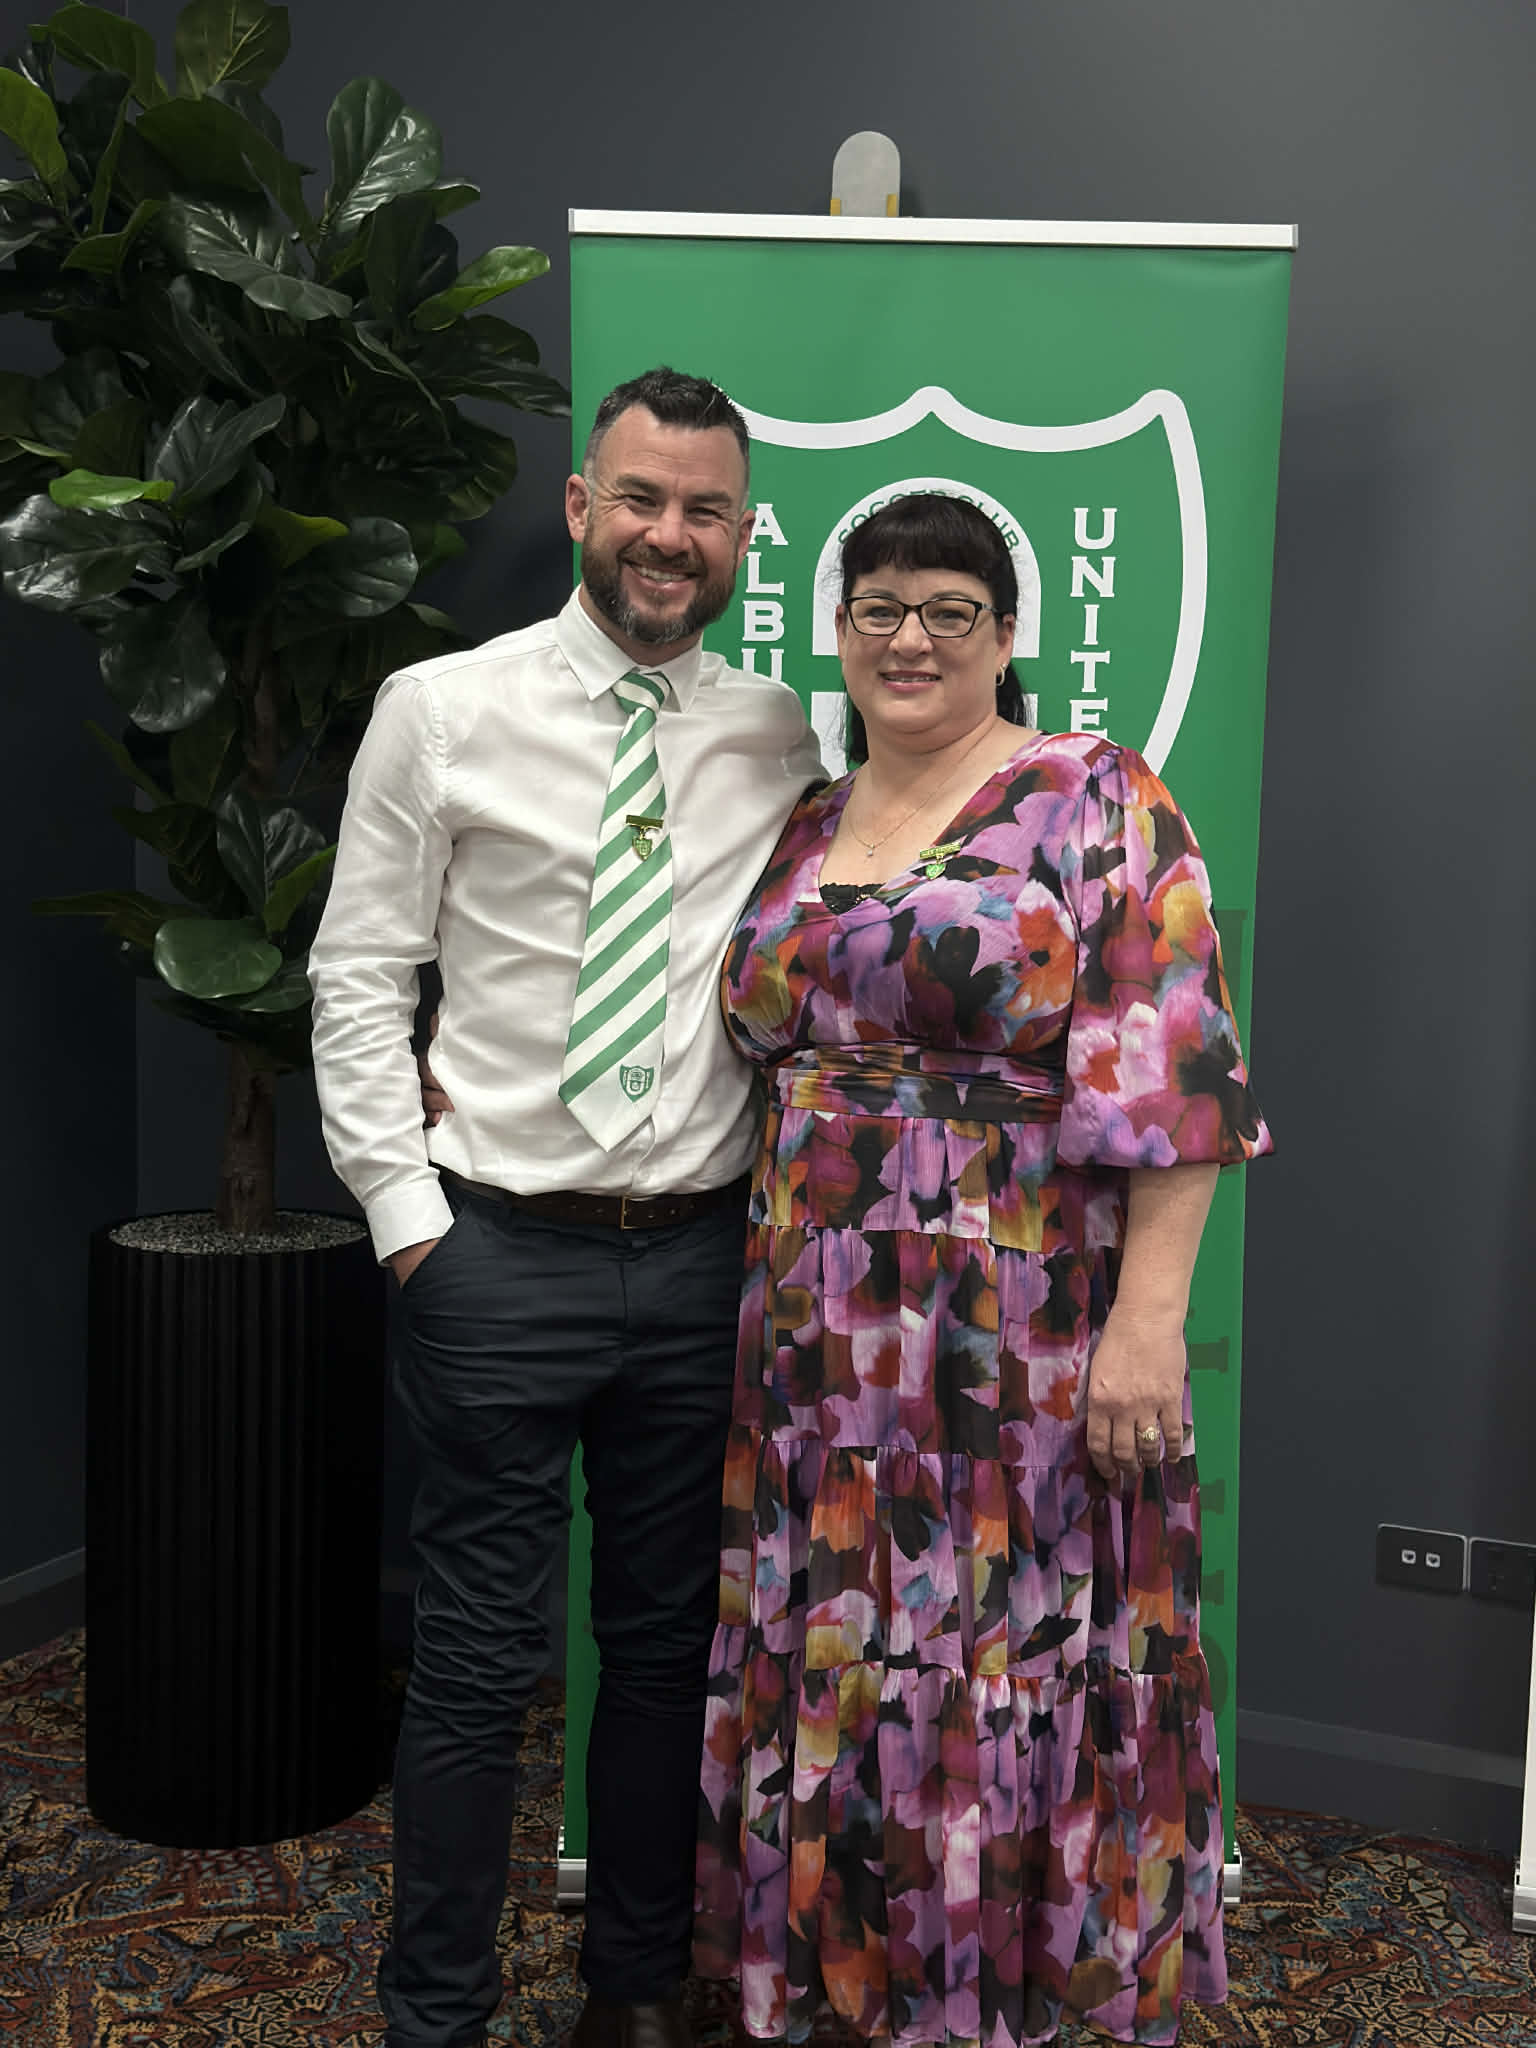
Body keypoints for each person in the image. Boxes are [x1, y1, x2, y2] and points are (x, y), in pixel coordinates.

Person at [692, 494, 1272, 2048]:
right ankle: (838, 1975)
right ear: (837, 630)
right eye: (879, 605)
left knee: (989, 1639)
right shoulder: (810, 819)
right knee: (840, 1637)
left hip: (1010, 1332)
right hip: (814, 1332)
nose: (910, 637)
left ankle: (987, 1988)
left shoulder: (1097, 796)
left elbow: (1180, 1082)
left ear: (1007, 636)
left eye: (950, 607)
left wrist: (1149, 1331)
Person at [307, 366, 823, 2048]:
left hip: (699, 1261)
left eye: (706, 510)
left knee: (665, 1651)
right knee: (471, 1662)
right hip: (496, 1252)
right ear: (584, 502)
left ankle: (632, 1994)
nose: (670, 537)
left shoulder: (780, 735)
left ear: (744, 534)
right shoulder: (438, 707)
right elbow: (360, 977)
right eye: (642, 499)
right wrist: (407, 1220)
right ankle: (435, 2013)